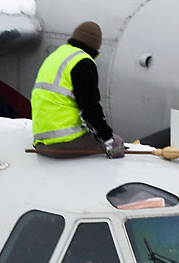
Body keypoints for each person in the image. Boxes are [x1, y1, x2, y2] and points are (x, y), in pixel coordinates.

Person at [31, 21, 125, 159]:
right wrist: (108, 139)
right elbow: (90, 108)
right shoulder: (83, 62)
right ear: (95, 48)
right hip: (65, 142)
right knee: (117, 144)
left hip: (42, 142)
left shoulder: (58, 55)